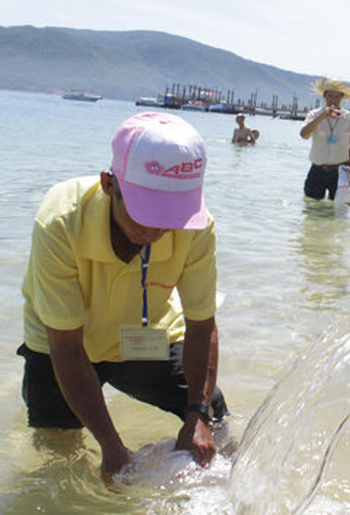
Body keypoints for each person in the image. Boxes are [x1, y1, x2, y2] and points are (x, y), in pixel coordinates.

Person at [17, 112, 228, 481]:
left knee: (216, 417)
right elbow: (66, 347)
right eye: (147, 213)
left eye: (171, 216)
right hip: (63, 344)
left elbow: (201, 325)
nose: (158, 229)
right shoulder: (60, 222)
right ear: (109, 184)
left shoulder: (197, 227)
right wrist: (111, 444)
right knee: (57, 457)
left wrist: (196, 413)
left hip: (142, 337)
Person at [299, 79, 350, 200]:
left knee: (338, 211)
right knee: (311, 209)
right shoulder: (314, 114)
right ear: (324, 96)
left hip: (339, 172)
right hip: (317, 169)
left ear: (341, 99)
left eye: (337, 97)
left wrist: (349, 173)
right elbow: (303, 134)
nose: (333, 100)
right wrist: (322, 116)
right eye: (330, 96)